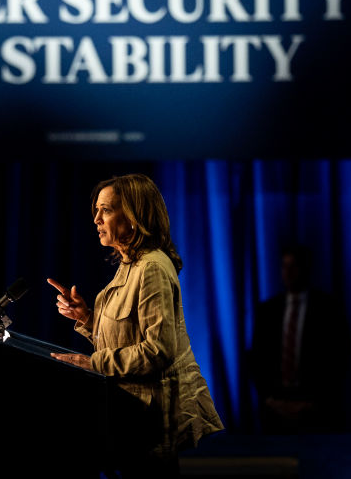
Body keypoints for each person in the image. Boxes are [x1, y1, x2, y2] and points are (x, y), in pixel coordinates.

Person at [47, 173, 224, 476]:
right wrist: (87, 319)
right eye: (97, 210)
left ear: (133, 217)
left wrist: (94, 364)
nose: (96, 219)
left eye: (106, 210)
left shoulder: (151, 267)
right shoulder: (131, 263)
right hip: (130, 418)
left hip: (147, 423)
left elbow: (158, 351)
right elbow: (128, 336)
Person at [248, 244, 348, 434]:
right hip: (275, 408)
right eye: (284, 266)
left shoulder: (328, 310)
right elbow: (257, 357)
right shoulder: (267, 310)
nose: (288, 272)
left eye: (294, 266)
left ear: (305, 269)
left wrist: (312, 403)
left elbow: (338, 358)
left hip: (316, 411)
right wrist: (270, 399)